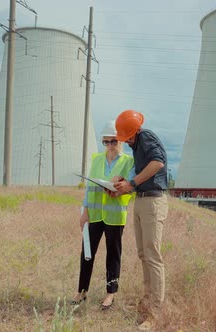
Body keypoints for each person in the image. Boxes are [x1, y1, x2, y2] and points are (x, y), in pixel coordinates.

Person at [113, 110, 168, 331]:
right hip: (142, 200)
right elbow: (144, 174)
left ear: (130, 133)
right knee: (144, 254)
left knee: (152, 256)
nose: (122, 141)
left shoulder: (145, 137)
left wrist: (132, 184)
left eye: (123, 137)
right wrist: (123, 186)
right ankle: (147, 305)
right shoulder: (137, 146)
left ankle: (155, 313)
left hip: (152, 202)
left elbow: (158, 163)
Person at [71, 120, 135, 310]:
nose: (109, 146)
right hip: (95, 214)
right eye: (106, 142)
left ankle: (110, 293)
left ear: (121, 141)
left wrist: (120, 185)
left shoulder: (128, 161)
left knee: (113, 255)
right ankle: (81, 291)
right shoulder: (97, 159)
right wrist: (84, 212)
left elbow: (132, 187)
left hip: (114, 216)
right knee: (87, 253)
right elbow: (90, 187)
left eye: (113, 142)